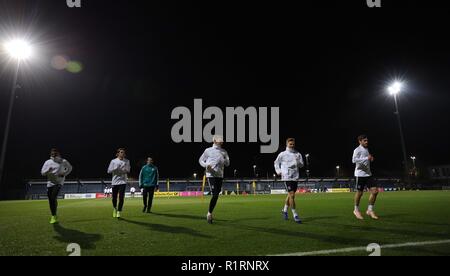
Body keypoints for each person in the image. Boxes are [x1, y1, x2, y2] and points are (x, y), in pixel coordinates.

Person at [199, 135, 230, 224]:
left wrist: (224, 160)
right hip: (211, 174)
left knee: (216, 195)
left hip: (220, 175)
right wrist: (206, 166)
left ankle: (209, 212)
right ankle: (209, 214)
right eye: (220, 140)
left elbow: (228, 163)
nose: (222, 141)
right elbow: (200, 160)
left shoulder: (224, 151)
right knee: (215, 194)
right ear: (215, 141)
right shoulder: (208, 150)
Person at [274, 138, 304, 224]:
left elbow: (302, 165)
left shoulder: (298, 154)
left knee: (290, 195)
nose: (292, 145)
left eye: (293, 144)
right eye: (290, 144)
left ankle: (284, 210)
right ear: (287, 144)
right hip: (286, 176)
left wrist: (298, 162)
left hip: (295, 177)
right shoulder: (282, 154)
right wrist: (278, 171)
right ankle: (295, 215)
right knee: (292, 195)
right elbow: (276, 163)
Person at [40, 148, 73, 224]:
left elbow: (70, 168)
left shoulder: (63, 161)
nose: (54, 155)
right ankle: (54, 214)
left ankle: (53, 216)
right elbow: (42, 173)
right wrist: (48, 171)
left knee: (53, 197)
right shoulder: (47, 162)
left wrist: (64, 174)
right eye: (52, 154)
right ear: (50, 154)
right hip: (50, 182)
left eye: (55, 154)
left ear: (58, 154)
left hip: (59, 182)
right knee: (51, 199)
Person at [352, 135, 379, 220]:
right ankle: (356, 210)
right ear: (360, 141)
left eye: (367, 140)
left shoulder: (366, 149)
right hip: (360, 175)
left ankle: (370, 210)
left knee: (375, 191)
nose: (367, 142)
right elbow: (354, 160)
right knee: (360, 193)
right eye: (365, 140)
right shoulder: (357, 150)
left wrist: (370, 158)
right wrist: (366, 158)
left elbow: (367, 158)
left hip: (368, 174)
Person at [107, 148, 131, 219]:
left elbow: (128, 170)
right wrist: (115, 168)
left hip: (123, 182)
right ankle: (115, 208)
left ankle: (119, 212)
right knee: (114, 198)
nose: (123, 154)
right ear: (118, 153)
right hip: (115, 182)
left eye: (123, 152)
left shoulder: (127, 161)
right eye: (121, 152)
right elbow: (108, 171)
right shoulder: (113, 161)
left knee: (121, 197)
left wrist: (124, 170)